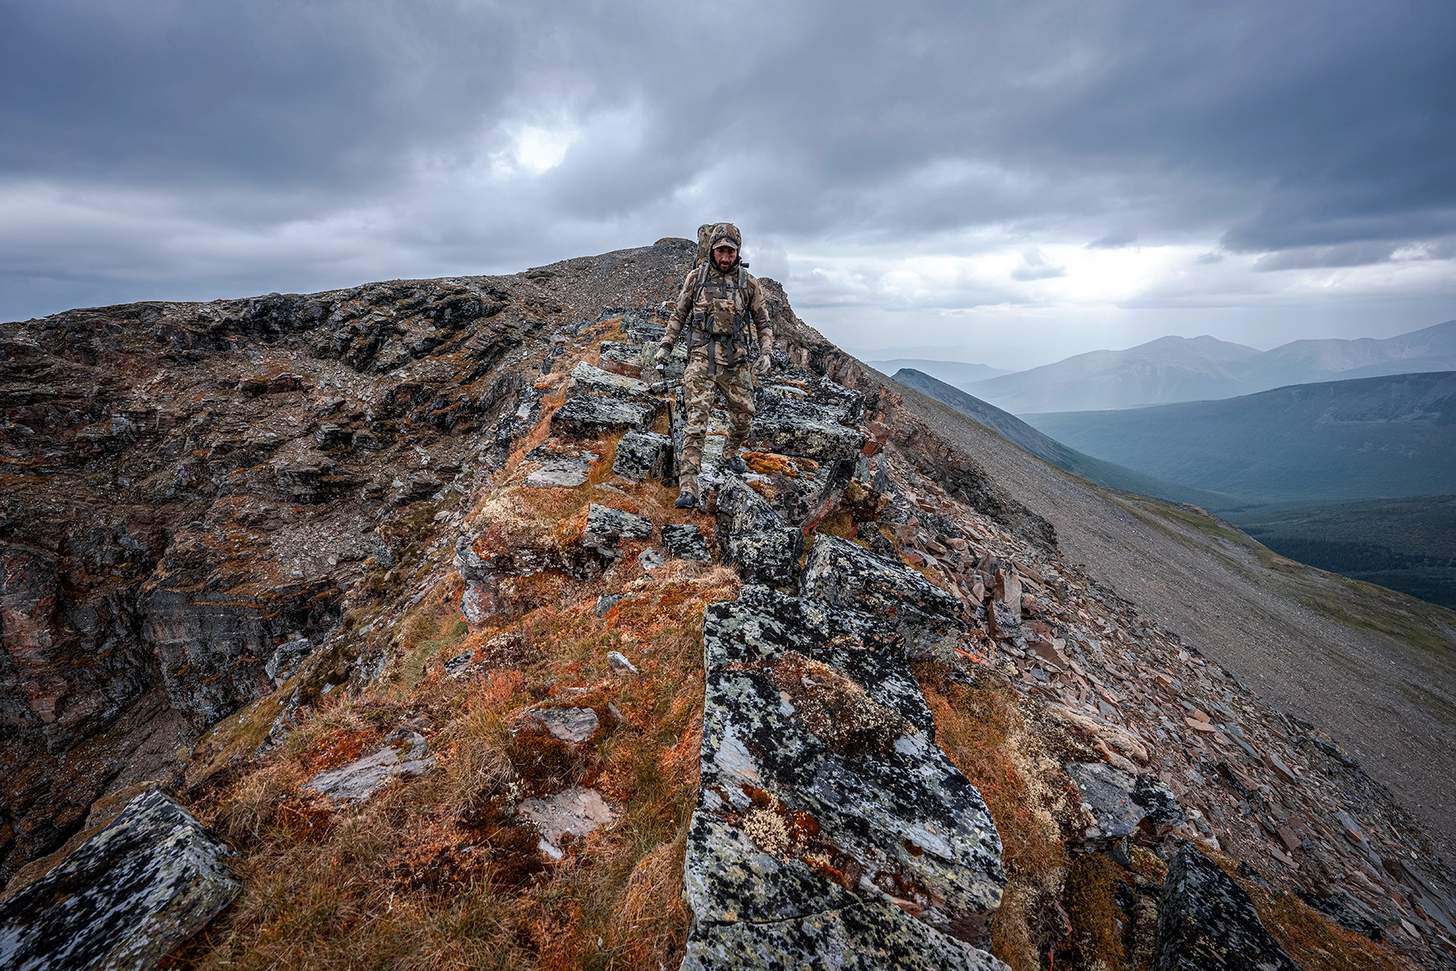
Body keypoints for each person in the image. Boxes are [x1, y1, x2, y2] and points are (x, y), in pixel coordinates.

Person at [653, 223, 774, 508]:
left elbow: (763, 322)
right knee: (696, 422)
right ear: (712, 250)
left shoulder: (749, 283)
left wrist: (766, 352)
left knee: (744, 416)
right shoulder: (696, 278)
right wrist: (665, 346)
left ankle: (730, 455)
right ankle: (688, 487)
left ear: (737, 252)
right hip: (701, 359)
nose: (725, 257)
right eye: (720, 251)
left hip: (736, 362)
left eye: (730, 252)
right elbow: (679, 314)